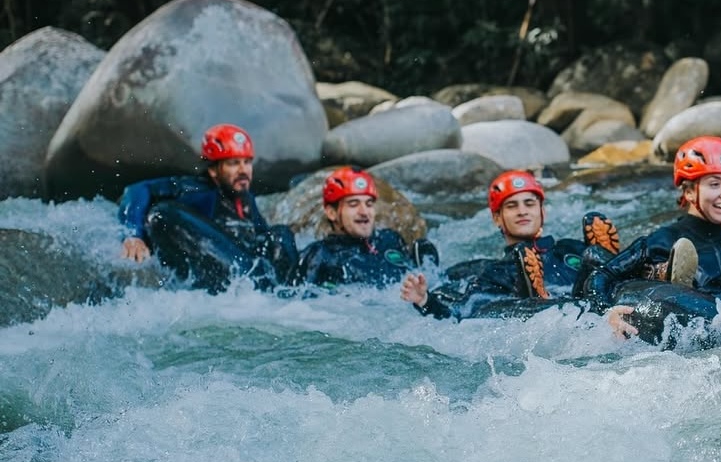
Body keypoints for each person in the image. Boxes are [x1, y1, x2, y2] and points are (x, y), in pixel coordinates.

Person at [583, 136, 721, 339]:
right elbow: (601, 275)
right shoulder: (662, 240)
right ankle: (673, 281)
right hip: (690, 317)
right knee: (671, 278)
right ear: (689, 192)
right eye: (715, 185)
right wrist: (605, 311)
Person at [399, 169, 620, 318]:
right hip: (548, 313)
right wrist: (424, 300)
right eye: (512, 206)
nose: (522, 211)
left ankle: (609, 266)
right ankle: (536, 298)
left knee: (592, 258)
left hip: (589, 296)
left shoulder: (570, 248)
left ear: (542, 211)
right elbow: (464, 312)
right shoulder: (496, 271)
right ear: (497, 218)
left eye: (529, 204)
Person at [118, 123, 297, 292]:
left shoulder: (246, 200)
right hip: (222, 276)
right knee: (162, 213)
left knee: (281, 234)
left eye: (247, 162)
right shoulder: (196, 189)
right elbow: (136, 190)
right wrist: (134, 234)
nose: (243, 170)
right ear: (213, 170)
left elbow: (261, 238)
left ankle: (290, 293)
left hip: (248, 272)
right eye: (234, 163)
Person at [292, 167, 438, 290]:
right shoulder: (319, 256)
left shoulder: (390, 240)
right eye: (353, 204)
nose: (364, 212)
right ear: (332, 213)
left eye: (369, 204)